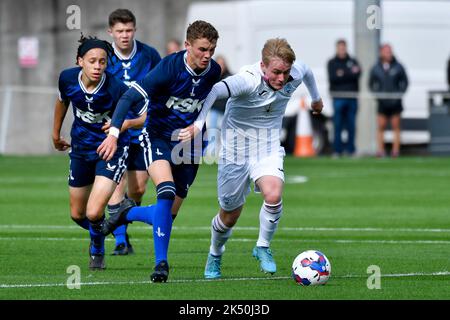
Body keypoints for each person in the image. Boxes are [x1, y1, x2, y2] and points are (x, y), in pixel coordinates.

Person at [178, 38, 323, 279]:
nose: (281, 78)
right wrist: (198, 123)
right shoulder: (247, 80)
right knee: (229, 215)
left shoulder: (293, 73)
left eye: (285, 72)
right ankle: (215, 253)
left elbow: (306, 71)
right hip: (235, 151)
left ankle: (263, 246)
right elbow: (215, 90)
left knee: (274, 194)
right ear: (263, 66)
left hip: (267, 147)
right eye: (276, 72)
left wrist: (316, 99)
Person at [97, 20, 221, 282]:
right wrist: (114, 133)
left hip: (191, 145)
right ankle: (161, 264)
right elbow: (129, 97)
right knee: (165, 191)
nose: (207, 55)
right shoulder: (167, 69)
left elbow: (208, 101)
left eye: (211, 49)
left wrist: (199, 127)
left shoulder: (213, 71)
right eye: (202, 49)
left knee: (168, 215)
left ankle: (125, 213)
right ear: (187, 45)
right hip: (158, 137)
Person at [52, 35, 147, 270]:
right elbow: (62, 101)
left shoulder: (116, 88)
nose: (97, 66)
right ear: (80, 61)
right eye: (92, 61)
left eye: (102, 62)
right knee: (77, 214)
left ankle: (97, 248)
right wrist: (55, 135)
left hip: (110, 150)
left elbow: (146, 114)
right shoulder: (66, 78)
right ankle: (112, 224)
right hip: (81, 149)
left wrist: (124, 125)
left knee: (94, 212)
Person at [106, 8, 161, 256]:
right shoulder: (104, 57)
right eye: (119, 31)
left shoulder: (149, 55)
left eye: (128, 30)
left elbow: (161, 86)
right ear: (111, 32)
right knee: (114, 183)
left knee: (138, 188)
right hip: (114, 129)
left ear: (135, 30)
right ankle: (120, 240)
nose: (124, 35)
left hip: (142, 127)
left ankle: (124, 216)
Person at [369, 44, 408, 158]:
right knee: (381, 126)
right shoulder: (376, 67)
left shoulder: (398, 66)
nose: (389, 53)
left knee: (396, 126)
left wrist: (399, 94)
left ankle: (395, 151)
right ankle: (380, 150)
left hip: (395, 102)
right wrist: (377, 95)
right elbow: (371, 84)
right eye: (386, 51)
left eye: (390, 51)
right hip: (382, 102)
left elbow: (405, 82)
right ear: (381, 53)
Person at [327, 39, 361, 157]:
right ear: (337, 48)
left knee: (351, 125)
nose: (342, 50)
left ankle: (351, 150)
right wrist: (349, 74)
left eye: (343, 48)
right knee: (338, 125)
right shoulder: (332, 62)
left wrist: (342, 73)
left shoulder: (353, 61)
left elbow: (357, 74)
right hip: (338, 97)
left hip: (352, 97)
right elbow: (334, 78)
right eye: (340, 48)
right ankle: (337, 150)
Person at [205, 55, 232, 158]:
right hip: (214, 110)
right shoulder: (211, 77)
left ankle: (225, 153)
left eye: (222, 64)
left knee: (225, 133)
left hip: (225, 110)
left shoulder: (230, 77)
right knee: (212, 131)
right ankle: (211, 152)